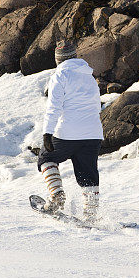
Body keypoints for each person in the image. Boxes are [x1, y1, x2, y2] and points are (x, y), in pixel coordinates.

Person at [37, 39, 104, 220]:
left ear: (58, 60)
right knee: (88, 174)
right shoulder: (89, 76)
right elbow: (96, 106)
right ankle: (90, 215)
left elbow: (54, 107)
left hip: (68, 133)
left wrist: (47, 133)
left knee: (46, 157)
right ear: (74, 56)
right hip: (93, 134)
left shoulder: (61, 75)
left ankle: (57, 195)